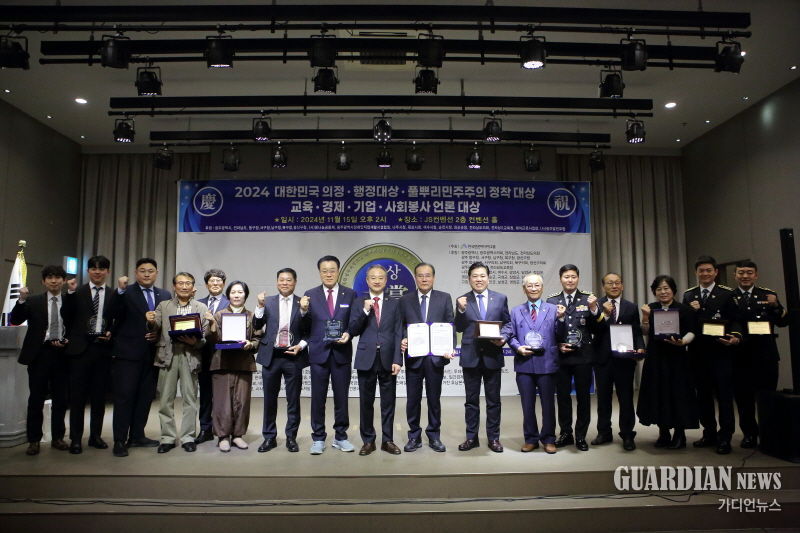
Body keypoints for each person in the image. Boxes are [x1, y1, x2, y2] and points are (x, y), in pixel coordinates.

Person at [109, 258, 172, 457]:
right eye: (142, 270)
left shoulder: (164, 295)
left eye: (150, 271)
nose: (146, 274)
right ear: (136, 273)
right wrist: (119, 291)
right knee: (124, 398)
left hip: (153, 354)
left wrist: (157, 333)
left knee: (145, 397)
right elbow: (112, 313)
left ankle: (137, 435)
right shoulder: (125, 292)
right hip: (128, 354)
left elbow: (168, 322)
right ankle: (120, 440)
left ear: (156, 273)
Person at [682, 255, 742, 455]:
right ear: (696, 273)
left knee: (724, 397)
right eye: (701, 270)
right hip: (697, 354)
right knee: (703, 397)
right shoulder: (689, 295)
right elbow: (686, 322)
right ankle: (709, 433)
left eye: (709, 270)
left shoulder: (727, 293)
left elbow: (736, 320)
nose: (705, 274)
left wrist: (736, 336)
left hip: (721, 353)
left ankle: (725, 436)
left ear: (716, 272)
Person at [501, 274, 565, 454]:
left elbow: (560, 335)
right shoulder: (516, 311)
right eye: (530, 286)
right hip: (525, 364)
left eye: (537, 285)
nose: (534, 288)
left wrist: (561, 319)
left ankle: (549, 439)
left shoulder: (553, 309)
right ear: (524, 289)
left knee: (548, 405)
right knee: (527, 405)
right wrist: (518, 347)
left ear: (542, 288)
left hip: (547, 363)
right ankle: (531, 439)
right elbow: (511, 335)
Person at [10, 265, 70, 456]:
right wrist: (21, 300)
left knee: (61, 399)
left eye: (58, 277)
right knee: (36, 398)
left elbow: (76, 326)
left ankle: (58, 437)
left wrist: (69, 340)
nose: (54, 281)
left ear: (63, 280)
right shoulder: (33, 301)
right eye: (49, 277)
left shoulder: (70, 301)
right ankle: (34, 440)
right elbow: (15, 320)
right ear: (44, 281)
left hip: (62, 354)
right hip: (39, 354)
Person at [146, 271, 209, 454]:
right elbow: (155, 327)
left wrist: (195, 342)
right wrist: (150, 321)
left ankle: (188, 437)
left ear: (193, 287)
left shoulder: (200, 307)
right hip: (168, 355)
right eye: (180, 283)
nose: (184, 286)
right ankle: (167, 438)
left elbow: (204, 336)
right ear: (174, 286)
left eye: (188, 283)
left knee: (190, 399)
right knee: (165, 400)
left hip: (191, 356)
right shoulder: (164, 306)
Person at [303, 255, 359, 455]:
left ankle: (341, 437)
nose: (328, 274)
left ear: (338, 271)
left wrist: (349, 333)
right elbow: (305, 326)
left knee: (341, 398)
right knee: (318, 399)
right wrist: (303, 311)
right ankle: (318, 438)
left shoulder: (350, 294)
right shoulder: (310, 295)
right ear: (319, 273)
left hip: (341, 353)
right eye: (324, 271)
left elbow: (355, 321)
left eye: (332, 270)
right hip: (319, 354)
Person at [637, 275, 699, 449]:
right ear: (654, 292)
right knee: (658, 393)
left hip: (677, 358)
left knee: (678, 394)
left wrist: (683, 341)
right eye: (659, 289)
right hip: (656, 358)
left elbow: (692, 331)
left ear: (673, 290)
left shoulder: (684, 309)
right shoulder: (651, 308)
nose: (663, 292)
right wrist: (645, 317)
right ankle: (663, 433)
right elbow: (645, 331)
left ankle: (680, 435)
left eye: (666, 288)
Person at [454, 261, 510, 453]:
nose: (479, 279)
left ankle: (494, 438)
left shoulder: (500, 298)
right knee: (471, 401)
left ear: (488, 278)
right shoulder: (462, 300)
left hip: (493, 355)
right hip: (471, 356)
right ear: (469, 279)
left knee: (494, 401)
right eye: (475, 276)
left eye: (482, 276)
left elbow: (508, 324)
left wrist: (504, 338)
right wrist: (460, 310)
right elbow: (459, 327)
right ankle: (471, 438)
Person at [732, 261, 788, 448]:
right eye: (741, 273)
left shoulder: (768, 294)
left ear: (756, 275)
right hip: (740, 356)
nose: (745, 276)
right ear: (735, 275)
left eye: (749, 273)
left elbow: (783, 321)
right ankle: (749, 434)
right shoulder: (730, 297)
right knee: (744, 400)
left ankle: (769, 434)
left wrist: (776, 305)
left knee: (767, 397)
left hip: (766, 355)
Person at [398, 262, 454, 453]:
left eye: (428, 275)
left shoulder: (444, 298)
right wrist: (403, 339)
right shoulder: (405, 300)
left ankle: (434, 435)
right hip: (414, 358)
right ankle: (414, 436)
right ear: (415, 278)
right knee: (413, 399)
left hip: (435, 358)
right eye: (420, 275)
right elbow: (400, 325)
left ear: (433, 278)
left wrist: (449, 348)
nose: (424, 279)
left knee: (434, 399)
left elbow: (450, 325)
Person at [348, 264, 404, 456]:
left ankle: (387, 440)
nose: (377, 281)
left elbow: (398, 332)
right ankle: (368, 441)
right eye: (373, 277)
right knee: (366, 402)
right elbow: (353, 329)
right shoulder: (359, 302)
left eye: (381, 277)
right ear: (367, 280)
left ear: (386, 280)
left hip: (388, 358)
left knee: (388, 403)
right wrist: (365, 311)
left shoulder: (395, 303)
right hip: (366, 358)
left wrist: (398, 359)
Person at [253, 268, 310, 453]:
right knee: (269, 400)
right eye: (281, 280)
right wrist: (259, 306)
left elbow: (309, 330)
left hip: (293, 356)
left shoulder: (303, 302)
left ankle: (291, 437)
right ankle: (269, 437)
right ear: (277, 282)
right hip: (272, 356)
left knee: (293, 400)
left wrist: (301, 345)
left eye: (289, 280)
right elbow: (257, 326)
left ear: (295, 282)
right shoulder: (267, 302)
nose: (285, 283)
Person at [62, 255, 114, 454]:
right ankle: (76, 439)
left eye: (101, 269)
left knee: (99, 397)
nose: (97, 272)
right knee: (77, 398)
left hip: (102, 351)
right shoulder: (77, 292)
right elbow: (66, 315)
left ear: (107, 271)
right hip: (79, 351)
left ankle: (95, 436)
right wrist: (70, 293)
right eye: (93, 268)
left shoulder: (113, 294)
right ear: (88, 271)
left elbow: (117, 319)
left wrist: (111, 332)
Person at [546, 264, 600, 452]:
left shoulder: (588, 298)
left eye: (573, 277)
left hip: (583, 356)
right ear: (560, 279)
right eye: (566, 277)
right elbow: (549, 330)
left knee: (583, 397)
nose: (570, 280)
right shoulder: (552, 301)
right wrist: (558, 344)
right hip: (562, 357)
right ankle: (566, 433)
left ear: (578, 278)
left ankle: (581, 435)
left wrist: (594, 309)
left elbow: (598, 329)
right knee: (563, 397)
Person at [591, 272, 646, 451]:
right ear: (603, 286)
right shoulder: (596, 305)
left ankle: (627, 434)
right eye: (610, 283)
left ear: (622, 285)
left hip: (625, 359)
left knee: (626, 398)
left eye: (617, 283)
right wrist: (605, 315)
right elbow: (593, 329)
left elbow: (636, 331)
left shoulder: (631, 306)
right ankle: (604, 432)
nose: (614, 286)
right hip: (603, 359)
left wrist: (640, 347)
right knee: (603, 398)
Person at [208, 281, 260, 452]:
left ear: (246, 295)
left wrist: (251, 344)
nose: (237, 295)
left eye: (240, 292)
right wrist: (212, 326)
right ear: (228, 295)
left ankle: (238, 435)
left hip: (243, 363)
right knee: (222, 402)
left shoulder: (252, 316)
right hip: (222, 362)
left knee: (242, 401)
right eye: (233, 292)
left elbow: (258, 338)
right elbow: (212, 339)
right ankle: (223, 436)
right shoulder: (218, 315)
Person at [195, 268, 229, 445]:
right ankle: (205, 429)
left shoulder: (231, 303)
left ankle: (223, 430)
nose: (215, 284)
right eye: (212, 281)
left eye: (218, 281)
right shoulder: (198, 303)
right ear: (206, 284)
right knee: (205, 395)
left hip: (224, 355)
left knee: (223, 397)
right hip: (203, 355)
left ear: (223, 284)